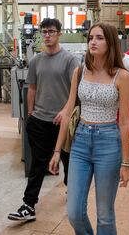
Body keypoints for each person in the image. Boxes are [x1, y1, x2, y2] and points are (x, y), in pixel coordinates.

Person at [49, 23, 129, 235]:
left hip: (108, 143)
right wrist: (57, 151)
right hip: (81, 142)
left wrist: (126, 163)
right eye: (91, 38)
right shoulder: (80, 71)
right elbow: (68, 112)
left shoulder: (122, 76)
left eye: (99, 38)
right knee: (74, 212)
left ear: (110, 42)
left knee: (104, 215)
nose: (93, 42)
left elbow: (124, 122)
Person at [7, 18, 78, 221]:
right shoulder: (36, 60)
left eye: (51, 31)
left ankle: (72, 191)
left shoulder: (70, 60)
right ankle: (28, 205)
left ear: (59, 33)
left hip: (62, 123)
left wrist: (65, 111)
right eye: (44, 32)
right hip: (39, 121)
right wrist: (30, 115)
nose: (47, 35)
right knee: (38, 164)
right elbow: (32, 89)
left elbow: (75, 92)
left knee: (68, 161)